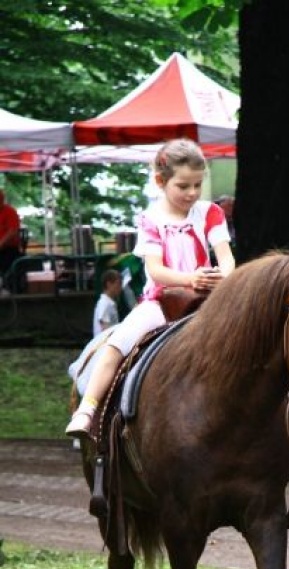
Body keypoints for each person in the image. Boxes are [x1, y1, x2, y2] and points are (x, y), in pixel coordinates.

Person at [65, 138, 236, 439]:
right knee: (117, 345)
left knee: (261, 331)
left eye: (197, 185)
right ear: (161, 181)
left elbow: (225, 256)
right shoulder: (151, 219)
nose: (192, 193)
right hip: (162, 302)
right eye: (183, 186)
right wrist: (190, 280)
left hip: (208, 300)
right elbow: (155, 270)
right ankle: (87, 409)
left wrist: (225, 281)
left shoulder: (210, 212)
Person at [0, 188, 22, 288]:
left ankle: (8, 286)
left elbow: (12, 231)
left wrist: (0, 244)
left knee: (7, 260)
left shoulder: (10, 211)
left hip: (8, 249)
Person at [93, 268, 122, 336]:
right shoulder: (104, 303)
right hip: (104, 344)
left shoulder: (109, 303)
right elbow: (105, 327)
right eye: (118, 283)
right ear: (109, 284)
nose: (120, 288)